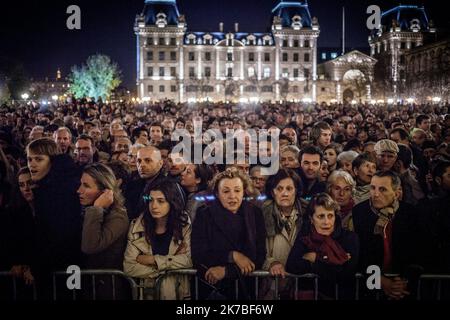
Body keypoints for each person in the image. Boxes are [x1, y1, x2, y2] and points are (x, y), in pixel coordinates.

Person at [191, 167, 267, 300]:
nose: (232, 196)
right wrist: (232, 255)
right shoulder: (204, 214)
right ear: (217, 193)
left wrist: (227, 271)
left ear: (244, 192)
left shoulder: (255, 214)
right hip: (212, 289)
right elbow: (199, 253)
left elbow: (258, 255)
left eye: (237, 190)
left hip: (246, 289)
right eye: (226, 191)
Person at [26, 138, 82, 299]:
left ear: (53, 161)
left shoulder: (59, 191)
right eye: (30, 159)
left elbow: (57, 234)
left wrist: (36, 267)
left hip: (68, 265)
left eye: (39, 159)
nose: (32, 164)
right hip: (63, 267)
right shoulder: (48, 187)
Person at [352, 171, 420, 300]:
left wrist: (403, 282)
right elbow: (360, 253)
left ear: (396, 193)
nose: (376, 194)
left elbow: (417, 251)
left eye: (382, 189)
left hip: (402, 288)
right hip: (369, 286)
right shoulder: (359, 212)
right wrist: (379, 280)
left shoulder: (410, 213)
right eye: (372, 188)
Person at [123, 180, 192, 300]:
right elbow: (129, 267)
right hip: (147, 293)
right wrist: (164, 270)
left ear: (172, 202)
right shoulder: (137, 226)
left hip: (177, 292)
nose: (154, 206)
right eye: (150, 200)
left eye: (161, 201)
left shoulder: (183, 225)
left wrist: (153, 260)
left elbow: (188, 260)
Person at [286, 193, 359, 300]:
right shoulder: (305, 237)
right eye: (321, 216)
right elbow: (291, 265)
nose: (326, 222)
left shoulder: (349, 238)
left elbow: (346, 275)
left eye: (330, 216)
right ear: (311, 219)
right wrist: (331, 264)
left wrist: (315, 259)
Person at [77, 163, 129, 299]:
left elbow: (90, 246)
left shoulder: (118, 216)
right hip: (87, 284)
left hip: (106, 288)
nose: (79, 190)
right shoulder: (84, 210)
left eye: (86, 186)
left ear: (104, 191)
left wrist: (97, 209)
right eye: (81, 184)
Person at [261, 169, 303, 299]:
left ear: (296, 190)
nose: (284, 193)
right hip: (271, 284)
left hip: (300, 284)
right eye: (279, 189)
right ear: (273, 192)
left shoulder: (307, 213)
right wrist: (271, 263)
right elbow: (257, 248)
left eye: (289, 188)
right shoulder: (262, 214)